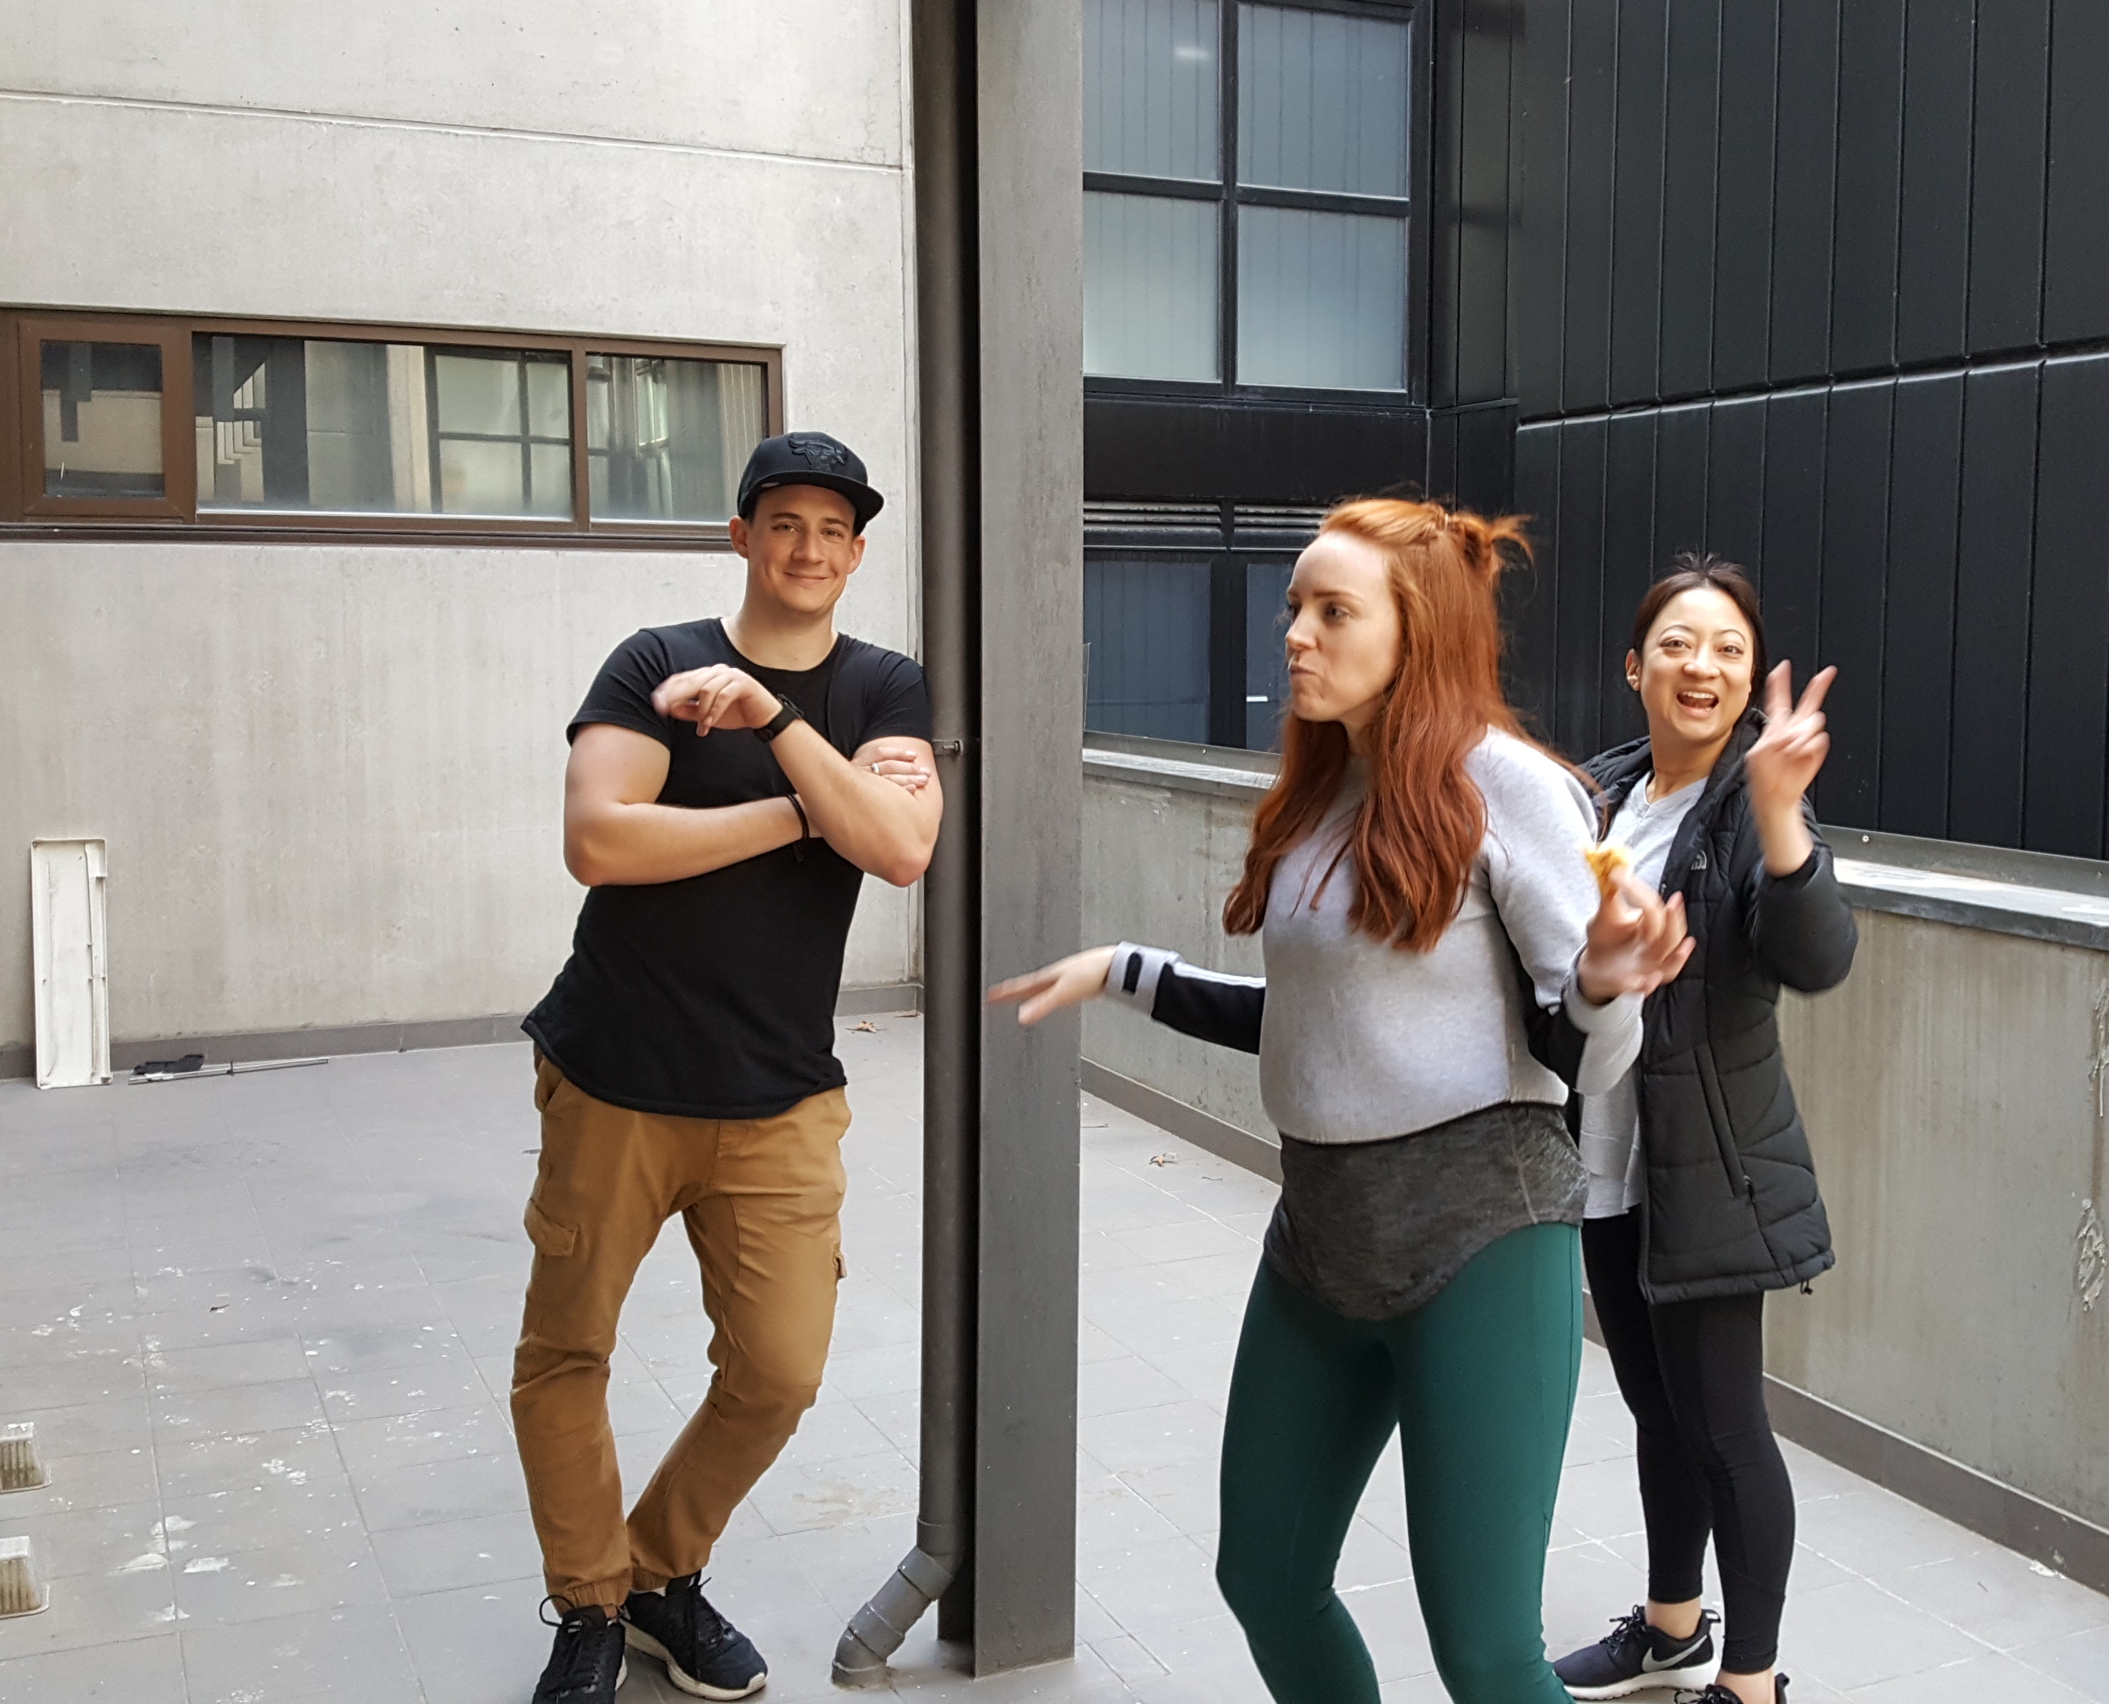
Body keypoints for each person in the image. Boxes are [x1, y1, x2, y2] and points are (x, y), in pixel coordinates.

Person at [989, 499, 1692, 1704]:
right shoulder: (1326, 790)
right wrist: (1124, 971)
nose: (1296, 635)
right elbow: (1321, 1023)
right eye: (1294, 608)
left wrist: (1604, 985)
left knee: (1487, 1656)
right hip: (1320, 1240)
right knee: (1265, 1577)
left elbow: (1581, 1054)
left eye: (1332, 611)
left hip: (1481, 1242)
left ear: (1416, 630)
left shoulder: (1508, 787)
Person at [513, 431, 942, 1704]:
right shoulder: (656, 662)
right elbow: (602, 841)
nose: (808, 548)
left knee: (778, 1369)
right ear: (742, 535)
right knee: (568, 1352)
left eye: (833, 530)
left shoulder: (886, 687)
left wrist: (774, 721)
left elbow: (901, 848)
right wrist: (809, 807)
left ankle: (656, 1570)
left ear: (856, 555)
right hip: (614, 1076)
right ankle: (590, 1604)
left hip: (780, 1096)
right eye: (785, 522)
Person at [1550, 558, 1850, 1704]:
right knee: (1656, 1410)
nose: (1703, 666)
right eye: (1678, 643)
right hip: (1605, 1156)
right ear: (1635, 667)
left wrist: (1779, 812)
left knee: (1727, 1431)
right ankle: (1673, 1629)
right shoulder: (1599, 792)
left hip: (1713, 1171)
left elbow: (1816, 954)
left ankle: (1753, 1684)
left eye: (1729, 649)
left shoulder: (1753, 804)